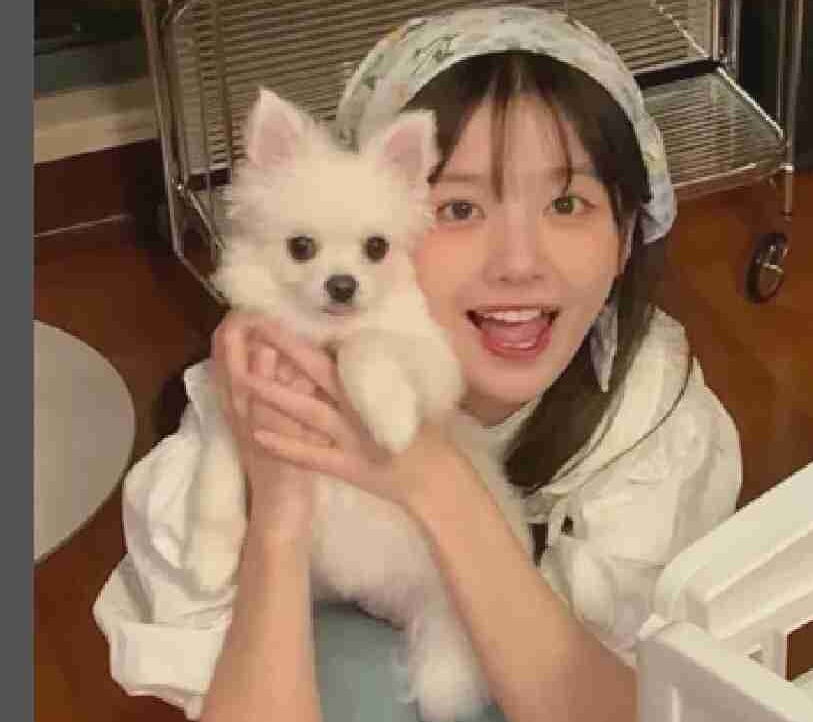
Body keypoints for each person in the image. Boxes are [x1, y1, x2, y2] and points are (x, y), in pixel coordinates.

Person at [93, 6, 744, 722]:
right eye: (459, 209)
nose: (519, 263)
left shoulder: (649, 422)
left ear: (628, 234)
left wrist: (432, 479)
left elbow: (628, 712)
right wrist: (277, 512)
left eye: (566, 202)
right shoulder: (257, 389)